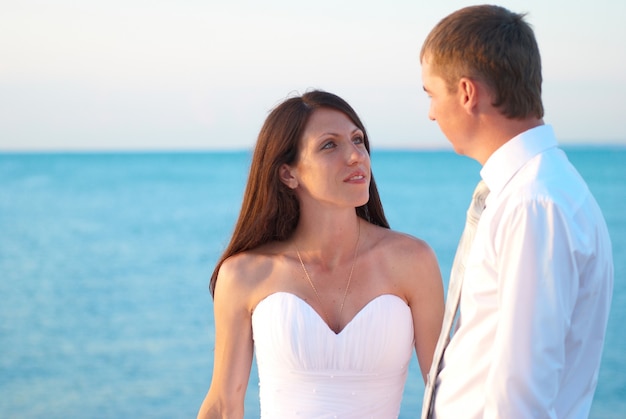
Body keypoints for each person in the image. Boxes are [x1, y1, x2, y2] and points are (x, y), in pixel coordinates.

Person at [196, 90, 444, 418]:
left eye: (358, 140)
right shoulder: (245, 274)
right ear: (288, 173)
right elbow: (223, 404)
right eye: (330, 144)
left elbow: (448, 394)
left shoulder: (412, 261)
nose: (356, 156)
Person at [419, 5, 614, 418]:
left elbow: (523, 393)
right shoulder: (530, 192)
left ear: (467, 93)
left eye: (432, 94)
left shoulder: (534, 203)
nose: (431, 113)